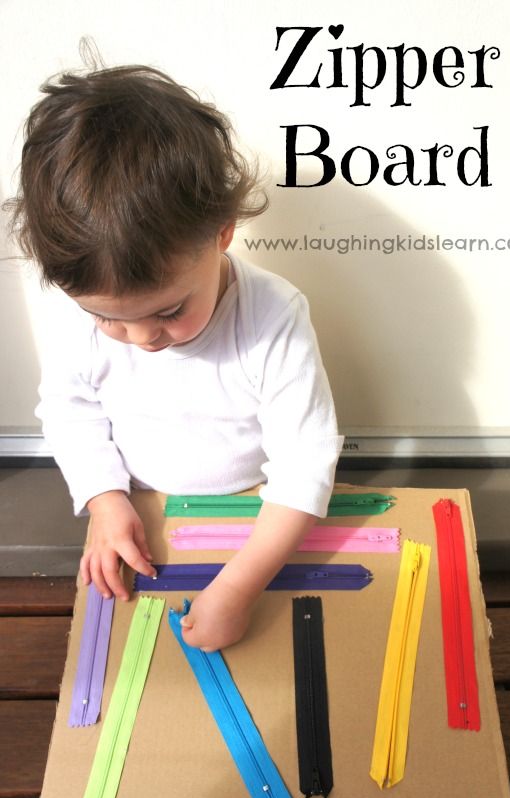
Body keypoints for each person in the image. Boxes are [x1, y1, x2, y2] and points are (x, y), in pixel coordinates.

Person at [6, 62, 343, 651]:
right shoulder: (87, 321)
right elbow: (69, 411)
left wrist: (238, 587)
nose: (141, 339)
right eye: (108, 316)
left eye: (167, 312)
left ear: (221, 233)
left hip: (254, 512)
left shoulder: (272, 316)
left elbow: (305, 464)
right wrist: (105, 500)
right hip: (141, 506)